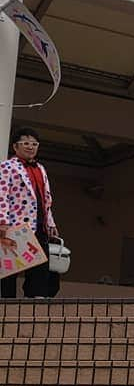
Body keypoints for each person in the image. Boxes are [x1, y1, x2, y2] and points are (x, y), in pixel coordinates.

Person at [0, 127, 60, 299]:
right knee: (10, 265)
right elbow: (2, 194)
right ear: (15, 146)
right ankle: (6, 300)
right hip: (15, 224)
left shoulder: (40, 168)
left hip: (38, 223)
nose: (30, 147)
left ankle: (35, 298)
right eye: (25, 143)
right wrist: (2, 221)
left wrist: (50, 223)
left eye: (34, 144)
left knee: (40, 263)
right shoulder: (7, 166)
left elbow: (46, 198)